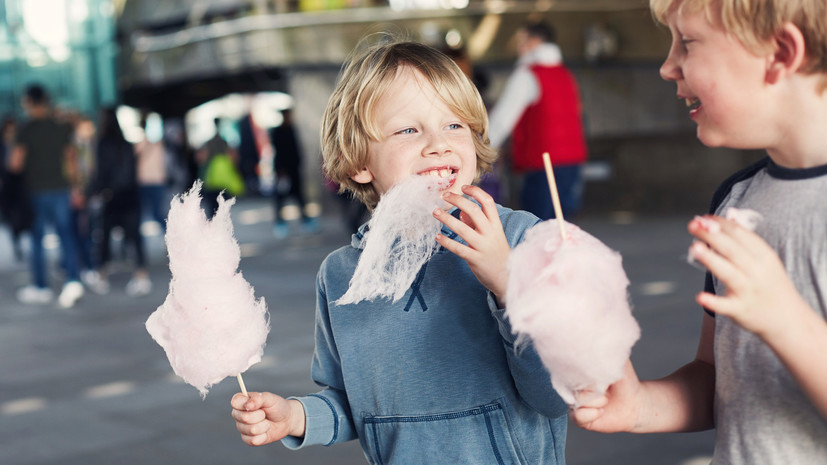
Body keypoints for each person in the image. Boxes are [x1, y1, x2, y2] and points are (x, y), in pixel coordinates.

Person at [230, 40, 569, 463]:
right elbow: (351, 402)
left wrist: (507, 283)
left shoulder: (523, 239)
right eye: (409, 130)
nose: (438, 144)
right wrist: (295, 417)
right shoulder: (340, 276)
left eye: (454, 125)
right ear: (358, 162)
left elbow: (556, 395)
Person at [571, 1, 827, 464]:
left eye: (687, 42)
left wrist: (786, 320)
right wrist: (641, 405)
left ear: (781, 52)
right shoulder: (736, 200)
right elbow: (719, 376)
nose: (668, 66)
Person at [488, 20, 588, 220]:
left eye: (522, 41)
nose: (519, 47)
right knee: (562, 226)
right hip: (572, 160)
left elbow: (503, 117)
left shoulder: (527, 74)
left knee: (537, 228)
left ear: (534, 41)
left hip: (544, 163)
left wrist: (481, 148)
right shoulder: (565, 74)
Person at [8, 84, 84, 308]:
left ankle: (41, 287)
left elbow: (15, 163)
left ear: (29, 102)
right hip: (61, 189)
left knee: (37, 240)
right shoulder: (59, 127)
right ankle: (73, 280)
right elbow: (71, 159)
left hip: (35, 191)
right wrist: (76, 188)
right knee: (66, 236)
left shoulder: (25, 129)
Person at [86, 107, 151, 297]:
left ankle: (101, 275)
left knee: (104, 238)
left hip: (110, 196)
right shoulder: (126, 144)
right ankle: (141, 276)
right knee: (134, 237)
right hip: (130, 195)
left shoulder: (101, 144)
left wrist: (94, 192)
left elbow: (100, 172)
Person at [268, 107, 317, 238]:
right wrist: (280, 170)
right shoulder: (277, 131)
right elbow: (277, 152)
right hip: (282, 171)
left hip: (294, 170)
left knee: (299, 197)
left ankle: (306, 221)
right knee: (280, 198)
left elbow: (297, 149)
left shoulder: (292, 129)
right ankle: (280, 223)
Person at [196, 117, 241, 218]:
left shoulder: (209, 142)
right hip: (224, 177)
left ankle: (214, 226)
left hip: (212, 177)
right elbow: (233, 157)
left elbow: (201, 158)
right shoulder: (224, 141)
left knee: (212, 206)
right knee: (222, 204)